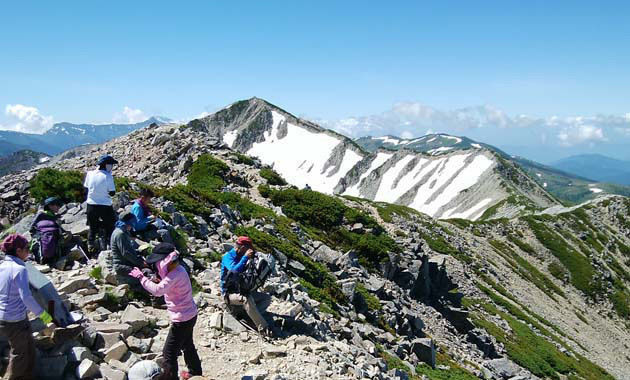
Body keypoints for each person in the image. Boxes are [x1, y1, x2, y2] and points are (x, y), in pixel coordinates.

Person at [129, 243, 202, 380]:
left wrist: (141, 278)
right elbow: (166, 284)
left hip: (182, 319)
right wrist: (157, 280)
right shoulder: (179, 269)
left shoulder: (174, 274)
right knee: (187, 345)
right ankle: (195, 373)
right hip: (190, 314)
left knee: (169, 354)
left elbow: (158, 291)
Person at [0, 234, 54, 380]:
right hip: (14, 320)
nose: (28, 252)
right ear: (18, 250)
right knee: (20, 355)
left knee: (29, 349)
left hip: (5, 318)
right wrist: (45, 316)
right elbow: (26, 298)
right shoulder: (19, 269)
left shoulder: (2, 267)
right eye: (26, 249)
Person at [220, 236, 269, 333]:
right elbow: (233, 271)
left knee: (266, 298)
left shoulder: (241, 256)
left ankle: (249, 317)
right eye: (247, 248)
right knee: (246, 298)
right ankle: (263, 327)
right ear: (242, 247)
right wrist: (245, 257)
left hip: (241, 290)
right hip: (229, 294)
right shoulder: (228, 257)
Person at [84, 154, 118, 254]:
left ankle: (90, 246)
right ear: (106, 165)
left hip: (91, 204)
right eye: (111, 165)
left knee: (92, 226)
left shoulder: (90, 174)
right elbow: (112, 193)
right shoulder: (108, 176)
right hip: (105, 205)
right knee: (110, 225)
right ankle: (109, 246)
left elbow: (86, 187)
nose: (112, 167)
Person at [111, 212, 146, 287]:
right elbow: (126, 253)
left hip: (126, 262)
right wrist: (140, 263)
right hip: (122, 265)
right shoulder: (120, 234)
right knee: (146, 274)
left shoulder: (121, 231)